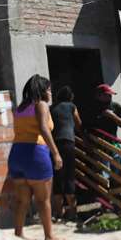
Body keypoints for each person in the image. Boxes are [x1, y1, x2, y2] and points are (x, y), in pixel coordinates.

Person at [9, 74, 63, 240]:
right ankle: (49, 237)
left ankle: (19, 234)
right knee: (43, 199)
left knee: (21, 200)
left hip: (17, 153)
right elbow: (43, 129)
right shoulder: (41, 105)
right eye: (48, 89)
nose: (51, 92)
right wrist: (55, 153)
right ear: (42, 90)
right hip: (36, 153)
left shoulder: (20, 107)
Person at [50, 86, 82, 221]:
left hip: (55, 145)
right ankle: (73, 213)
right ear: (70, 96)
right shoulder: (72, 106)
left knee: (58, 177)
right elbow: (79, 123)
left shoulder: (52, 108)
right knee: (69, 176)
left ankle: (58, 213)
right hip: (68, 143)